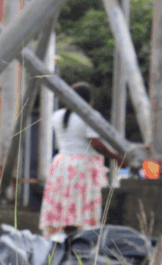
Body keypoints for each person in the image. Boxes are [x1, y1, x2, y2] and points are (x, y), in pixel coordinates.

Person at [39, 82, 125, 237]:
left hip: (61, 165)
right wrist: (115, 157)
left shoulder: (57, 116)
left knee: (64, 205)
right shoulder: (89, 116)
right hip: (82, 166)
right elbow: (95, 142)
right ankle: (79, 241)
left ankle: (59, 240)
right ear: (89, 101)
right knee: (80, 207)